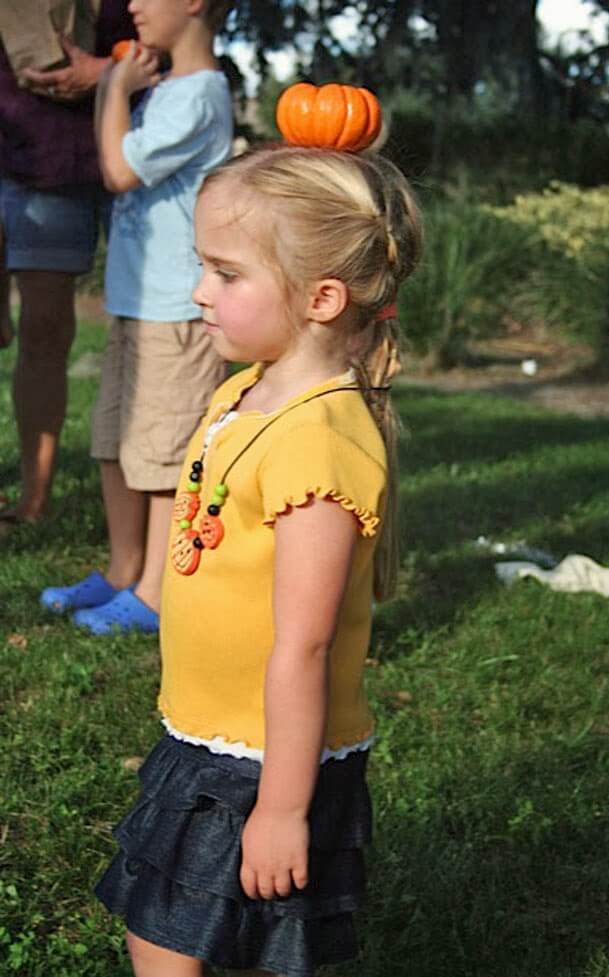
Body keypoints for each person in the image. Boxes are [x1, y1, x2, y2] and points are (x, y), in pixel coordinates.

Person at [94, 142, 423, 977]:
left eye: (226, 273)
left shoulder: (319, 443)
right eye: (201, 266)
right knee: (190, 929)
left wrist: (281, 807)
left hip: (261, 758)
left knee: (175, 936)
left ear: (321, 297)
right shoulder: (246, 388)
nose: (200, 290)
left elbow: (304, 644)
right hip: (211, 731)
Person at [40, 0, 232, 634]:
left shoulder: (200, 93)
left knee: (164, 454)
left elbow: (118, 171)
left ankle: (155, 592)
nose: (133, 6)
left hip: (175, 307)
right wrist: (111, 89)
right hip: (134, 298)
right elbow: (112, 152)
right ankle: (123, 571)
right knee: (117, 444)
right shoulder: (166, 89)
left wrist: (116, 86)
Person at [0, 1, 136, 524]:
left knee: (158, 333)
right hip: (37, 156)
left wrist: (105, 71)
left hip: (143, 153)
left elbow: (191, 33)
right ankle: (34, 501)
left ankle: (166, 497)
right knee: (43, 330)